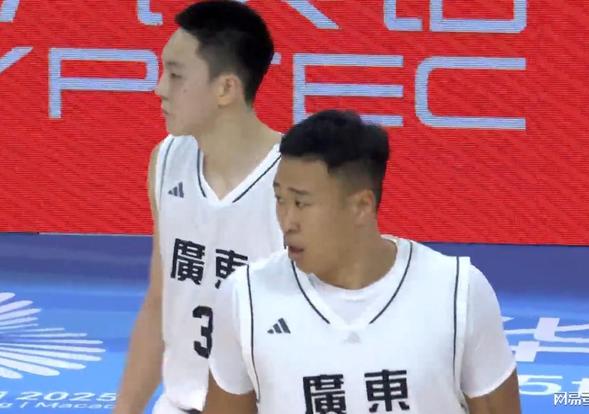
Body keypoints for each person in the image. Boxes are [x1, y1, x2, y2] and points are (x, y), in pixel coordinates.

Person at [202, 109, 521, 414]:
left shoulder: (457, 293)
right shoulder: (246, 297)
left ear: (361, 206)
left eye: (301, 202)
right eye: (280, 199)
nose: (287, 221)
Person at [113, 1, 283, 413]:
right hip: (180, 403)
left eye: (175, 75)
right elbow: (160, 302)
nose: (159, 88)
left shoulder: (296, 179)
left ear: (226, 88)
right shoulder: (167, 159)